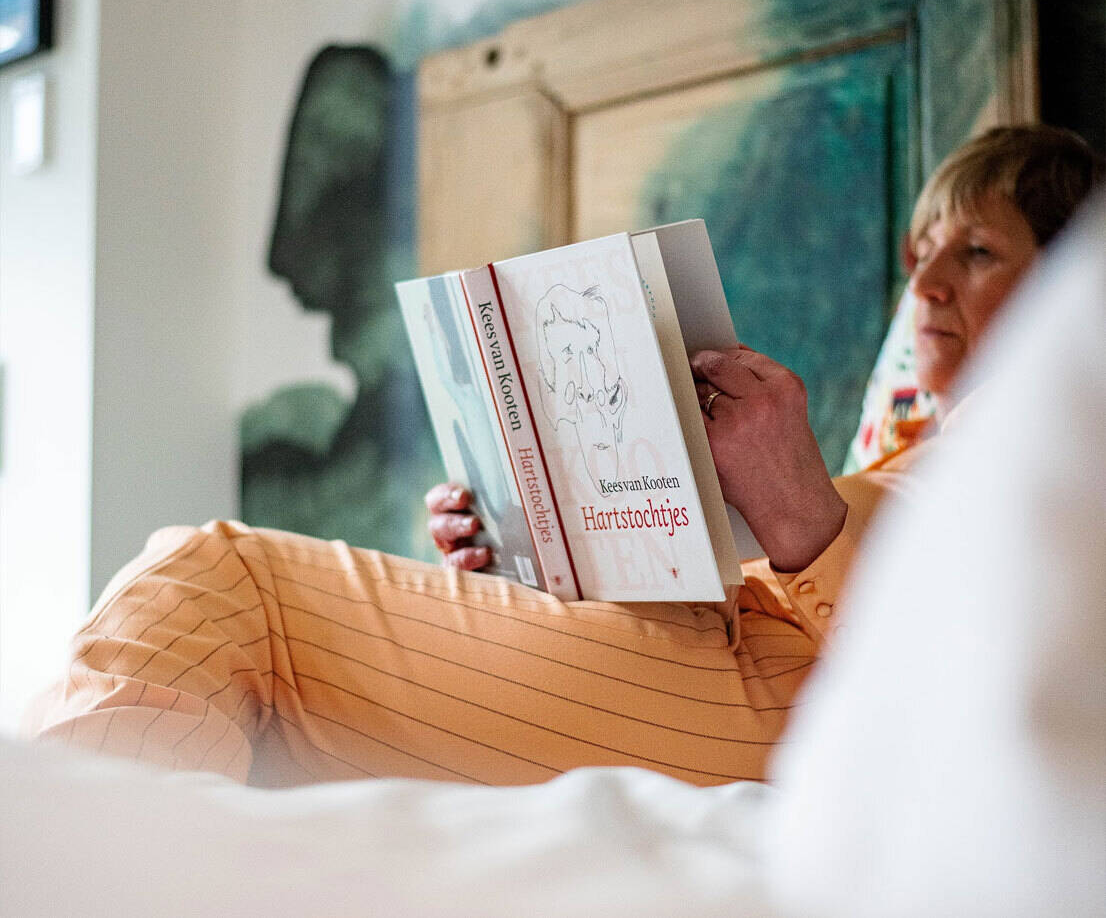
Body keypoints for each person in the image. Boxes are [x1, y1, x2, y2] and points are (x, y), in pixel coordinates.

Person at [28, 126, 1103, 788]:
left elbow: (999, 679)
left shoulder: (1063, 442)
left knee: (219, 580)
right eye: (918, 255)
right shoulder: (921, 442)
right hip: (700, 641)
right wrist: (521, 542)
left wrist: (800, 519)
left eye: (974, 252)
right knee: (243, 697)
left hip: (765, 695)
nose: (922, 287)